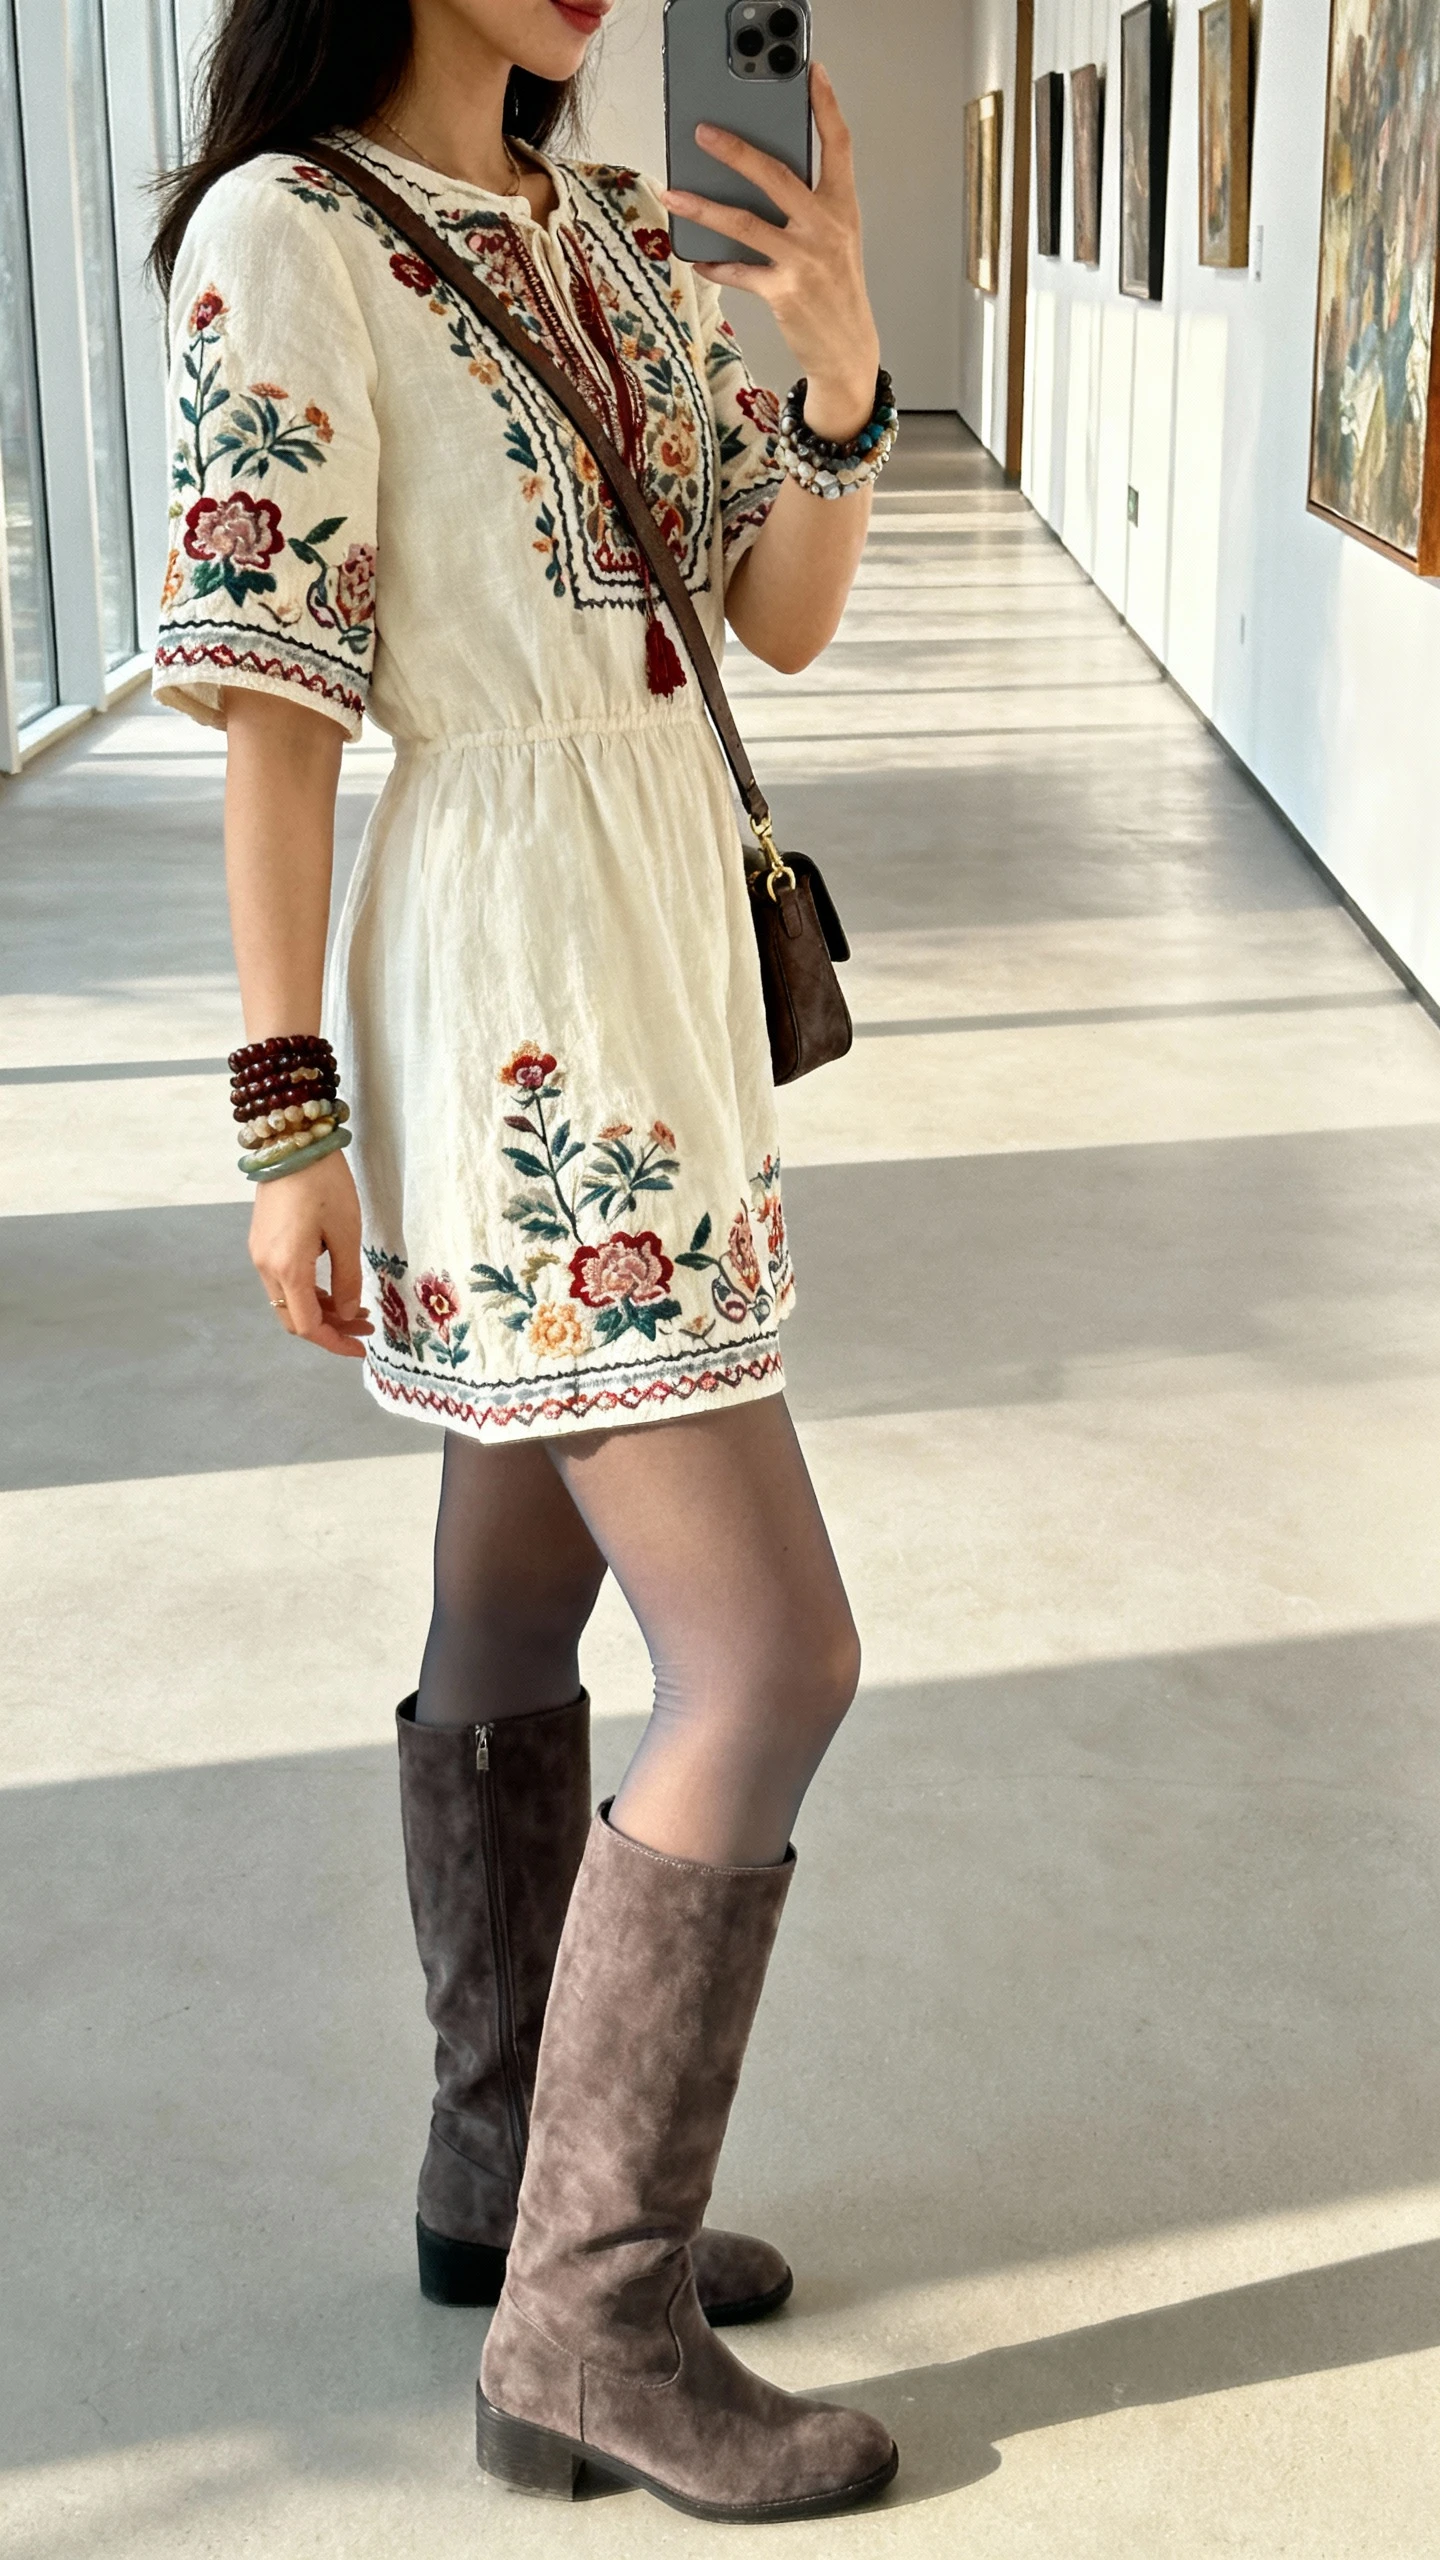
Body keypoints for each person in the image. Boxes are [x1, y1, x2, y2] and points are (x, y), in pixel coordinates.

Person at [151, 0, 898, 2522]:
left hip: (657, 972)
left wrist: (836, 378)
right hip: (515, 1017)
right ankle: (596, 2312)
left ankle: (508, 2179)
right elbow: (273, 710)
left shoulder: (600, 232)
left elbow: (768, 618)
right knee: (772, 1649)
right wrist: (288, 1113)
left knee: (512, 1612)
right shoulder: (289, 235)